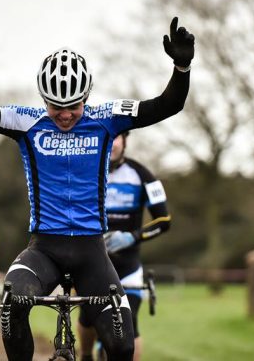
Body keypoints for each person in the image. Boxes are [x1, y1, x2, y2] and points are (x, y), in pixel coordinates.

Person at [0, 17, 194, 361]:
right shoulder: (27, 121)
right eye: (55, 106)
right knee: (12, 300)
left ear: (87, 96)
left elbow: (167, 104)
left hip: (92, 253)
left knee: (122, 346)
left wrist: (181, 68)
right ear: (42, 99)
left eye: (73, 106)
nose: (64, 115)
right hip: (44, 249)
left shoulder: (107, 118)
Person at [76, 132, 171, 361]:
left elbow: (164, 221)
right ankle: (86, 355)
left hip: (128, 267)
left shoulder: (142, 175)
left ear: (125, 140)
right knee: (87, 317)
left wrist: (132, 237)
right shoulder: (81, 172)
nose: (112, 142)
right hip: (90, 265)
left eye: (116, 137)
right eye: (106, 137)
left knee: (130, 323)